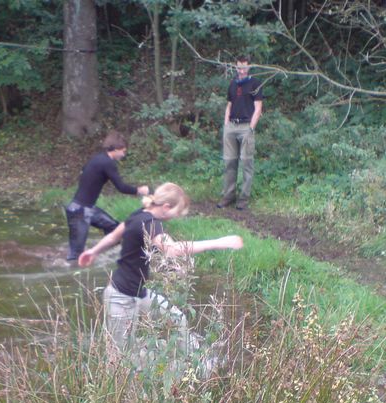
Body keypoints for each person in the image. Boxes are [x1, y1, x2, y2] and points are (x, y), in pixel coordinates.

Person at [79, 182, 243, 350]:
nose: (177, 216)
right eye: (177, 212)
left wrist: (93, 251)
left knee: (178, 319)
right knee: (120, 354)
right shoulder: (150, 223)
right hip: (121, 298)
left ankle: (196, 363)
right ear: (166, 207)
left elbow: (114, 237)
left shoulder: (139, 215)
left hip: (140, 292)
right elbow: (172, 250)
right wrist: (219, 242)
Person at [65, 131, 150, 261]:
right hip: (80, 211)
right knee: (75, 258)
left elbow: (84, 173)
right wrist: (140, 190)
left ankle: (107, 256)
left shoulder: (98, 158)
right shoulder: (108, 163)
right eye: (123, 151)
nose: (123, 154)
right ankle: (67, 274)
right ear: (115, 149)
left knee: (114, 228)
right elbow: (121, 187)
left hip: (87, 208)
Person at [218, 56, 264, 210]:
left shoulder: (255, 84)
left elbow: (258, 108)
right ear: (235, 67)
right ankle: (228, 196)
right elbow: (229, 105)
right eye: (239, 67)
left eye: (244, 67)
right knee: (230, 163)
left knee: (246, 163)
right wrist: (226, 124)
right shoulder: (233, 84)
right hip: (231, 126)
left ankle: (243, 199)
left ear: (249, 67)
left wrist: (251, 127)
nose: (242, 70)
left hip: (246, 128)